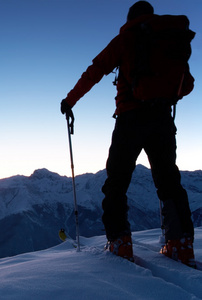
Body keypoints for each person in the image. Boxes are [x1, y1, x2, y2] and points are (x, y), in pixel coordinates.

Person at [60, 1, 195, 267]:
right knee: (169, 181)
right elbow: (187, 84)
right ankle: (181, 245)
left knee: (117, 182)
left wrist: (70, 100)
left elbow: (95, 70)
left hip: (130, 119)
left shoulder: (125, 39)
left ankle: (120, 243)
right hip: (162, 119)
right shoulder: (167, 40)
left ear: (130, 17)